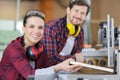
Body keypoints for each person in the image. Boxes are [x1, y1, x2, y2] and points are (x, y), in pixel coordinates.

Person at [0, 9, 82, 80]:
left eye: (40, 27)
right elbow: (30, 75)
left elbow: (48, 70)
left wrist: (67, 69)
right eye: (31, 26)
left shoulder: (40, 47)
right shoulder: (13, 49)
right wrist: (59, 67)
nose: (36, 31)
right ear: (23, 29)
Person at [43, 0, 90, 66]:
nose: (79, 16)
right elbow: (51, 58)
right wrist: (74, 58)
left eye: (82, 13)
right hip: (48, 70)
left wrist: (76, 59)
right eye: (76, 11)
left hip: (67, 71)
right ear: (68, 10)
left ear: (85, 17)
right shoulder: (52, 27)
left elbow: (78, 57)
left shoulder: (80, 32)